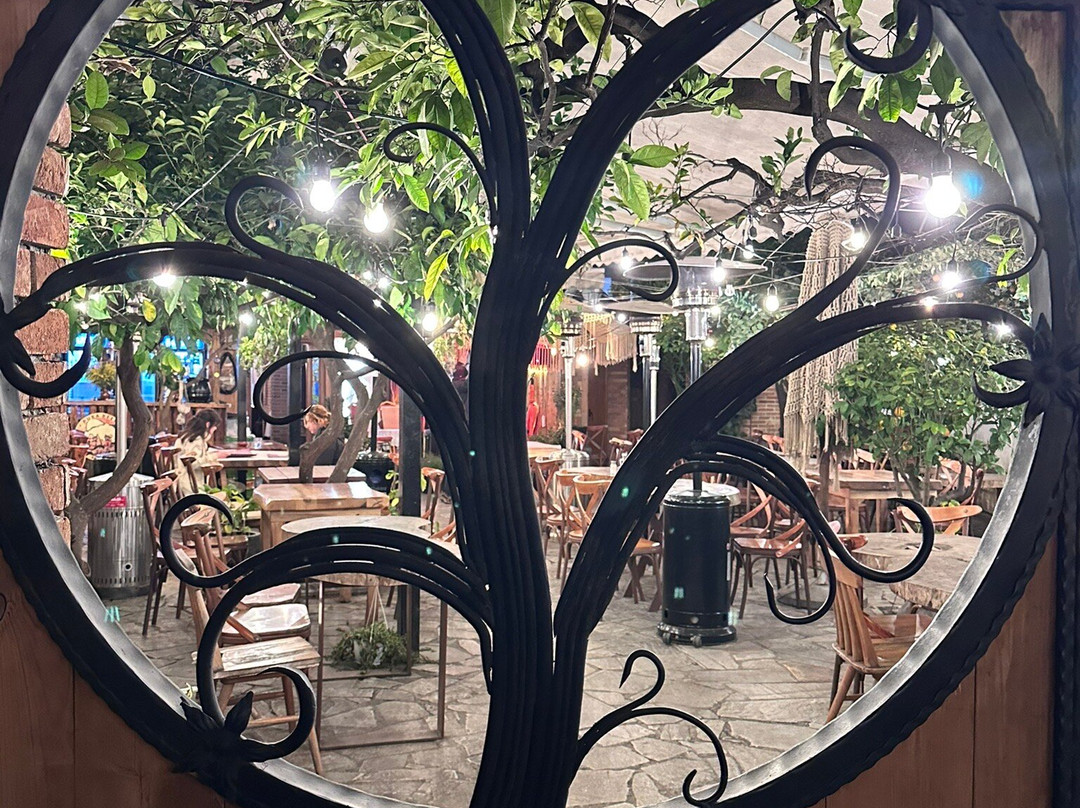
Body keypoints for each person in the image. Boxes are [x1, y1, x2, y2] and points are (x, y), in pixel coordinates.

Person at [173, 410, 220, 497]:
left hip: (182, 482)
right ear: (208, 424)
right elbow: (192, 464)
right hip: (189, 486)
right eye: (214, 426)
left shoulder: (187, 436)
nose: (215, 429)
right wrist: (214, 456)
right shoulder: (195, 440)